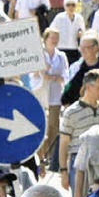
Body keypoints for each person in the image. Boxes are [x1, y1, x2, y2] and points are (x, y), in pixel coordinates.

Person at [58, 69, 99, 196]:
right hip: (79, 163)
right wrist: (64, 171)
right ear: (89, 87)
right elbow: (63, 143)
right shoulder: (71, 112)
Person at [36, 28, 69, 172]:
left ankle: (50, 155)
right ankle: (40, 155)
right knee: (41, 125)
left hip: (56, 94)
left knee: (54, 126)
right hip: (41, 93)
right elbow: (35, 74)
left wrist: (56, 77)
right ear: (46, 38)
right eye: (52, 38)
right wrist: (45, 75)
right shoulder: (39, 54)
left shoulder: (61, 56)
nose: (54, 40)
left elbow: (66, 74)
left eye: (56, 38)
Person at [60, 29, 99, 106]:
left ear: (96, 48)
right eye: (81, 47)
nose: (82, 50)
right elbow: (66, 93)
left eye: (86, 47)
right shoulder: (75, 67)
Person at [50, 0, 85, 65]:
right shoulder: (59, 17)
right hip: (61, 47)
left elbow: (83, 31)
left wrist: (80, 34)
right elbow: (51, 31)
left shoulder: (79, 18)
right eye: (68, 5)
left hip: (74, 48)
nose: (70, 7)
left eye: (73, 5)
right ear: (64, 6)